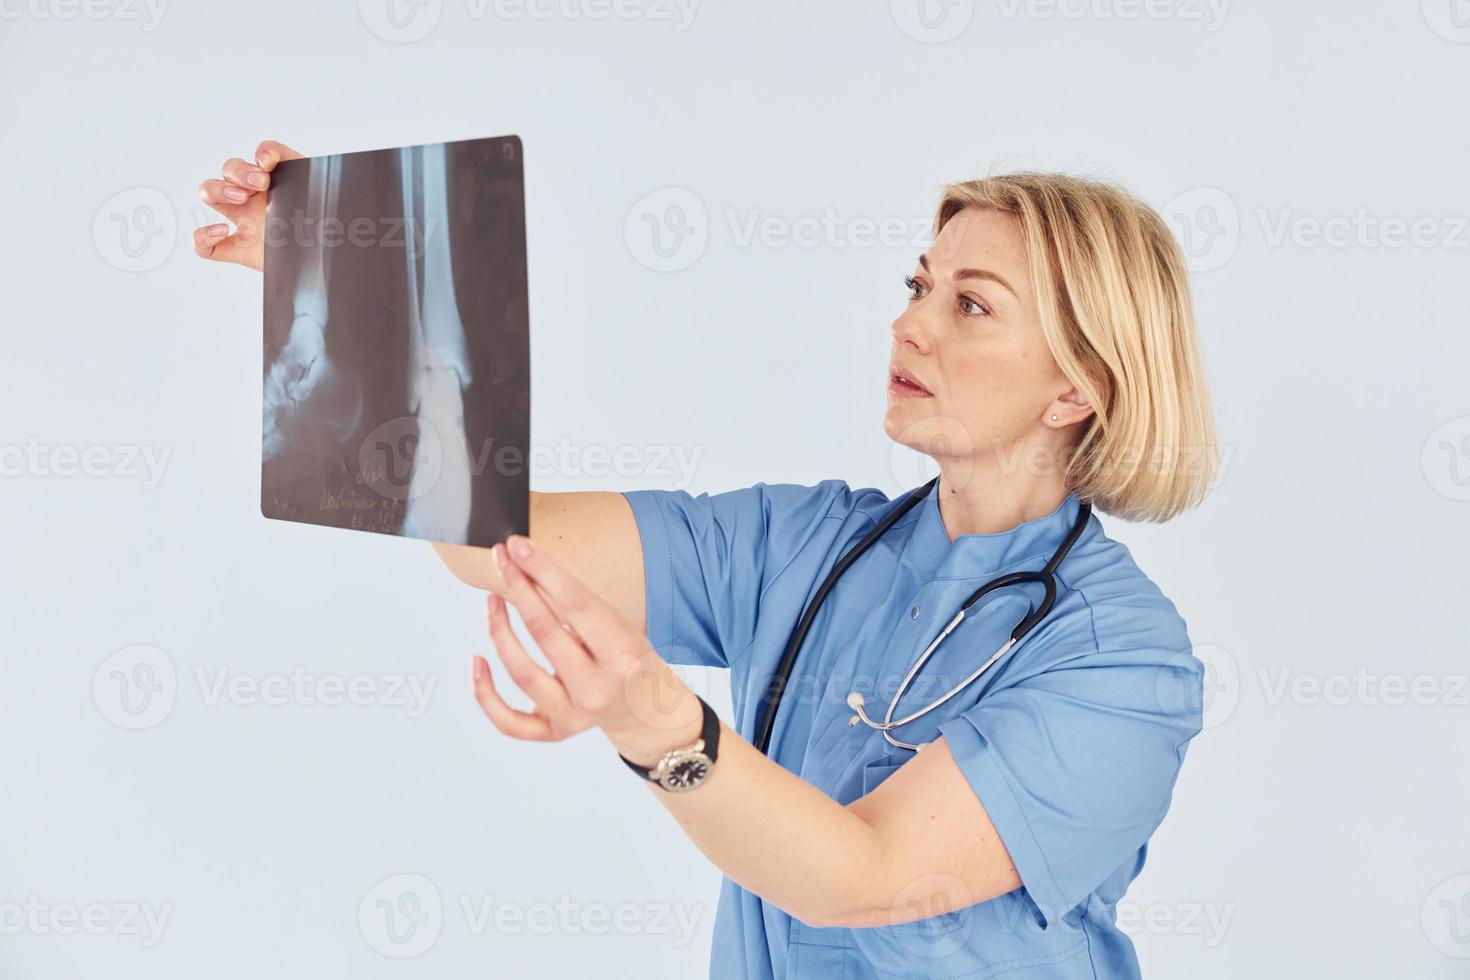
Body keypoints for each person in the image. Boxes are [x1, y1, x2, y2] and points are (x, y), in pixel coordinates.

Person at [196, 141, 1218, 978]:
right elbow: (493, 537)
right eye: (920, 283)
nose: (907, 321)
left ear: (1077, 386)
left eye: (972, 303)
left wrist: (651, 719)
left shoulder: (1123, 662)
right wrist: (351, 284)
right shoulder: (807, 542)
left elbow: (867, 874)